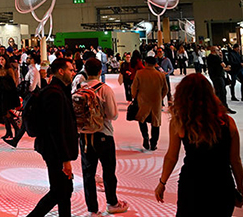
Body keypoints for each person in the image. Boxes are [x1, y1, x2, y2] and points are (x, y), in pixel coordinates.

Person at [154, 74, 243, 216]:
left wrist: (162, 183)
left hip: (192, 183)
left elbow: (171, 157)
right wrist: (240, 189)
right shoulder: (228, 123)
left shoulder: (180, 123)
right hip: (222, 183)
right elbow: (235, 160)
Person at [26, 58, 78, 217]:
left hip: (54, 149)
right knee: (58, 191)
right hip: (54, 151)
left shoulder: (58, 91)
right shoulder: (54, 94)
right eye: (70, 70)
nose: (73, 73)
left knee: (64, 191)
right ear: (61, 71)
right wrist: (65, 159)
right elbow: (56, 129)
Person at [78, 58, 129, 216]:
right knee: (108, 171)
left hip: (84, 136)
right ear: (100, 71)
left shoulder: (79, 88)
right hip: (103, 134)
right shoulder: (105, 89)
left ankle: (92, 210)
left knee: (88, 174)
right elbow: (112, 114)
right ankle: (112, 203)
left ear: (86, 71)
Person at [132, 56, 168, 151]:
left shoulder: (139, 73)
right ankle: (153, 143)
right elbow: (166, 89)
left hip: (143, 101)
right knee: (156, 123)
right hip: (156, 102)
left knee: (141, 119)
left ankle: (145, 137)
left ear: (145, 63)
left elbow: (134, 87)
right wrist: (160, 97)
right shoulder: (161, 75)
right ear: (155, 64)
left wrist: (134, 96)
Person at [0, 55, 19, 140]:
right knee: (4, 113)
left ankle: (15, 128)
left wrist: (1, 81)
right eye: (0, 59)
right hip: (1, 93)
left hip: (7, 94)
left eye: (2, 59)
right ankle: (9, 131)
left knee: (6, 113)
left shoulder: (9, 70)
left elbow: (12, 82)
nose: (1, 61)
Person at [207, 46, 235, 113]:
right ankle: (223, 107)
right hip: (218, 76)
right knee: (222, 92)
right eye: (217, 50)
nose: (219, 51)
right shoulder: (215, 57)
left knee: (219, 91)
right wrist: (226, 68)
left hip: (215, 76)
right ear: (214, 50)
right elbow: (223, 65)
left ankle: (219, 107)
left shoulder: (210, 57)